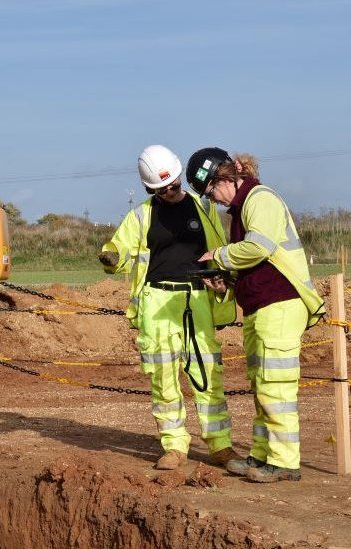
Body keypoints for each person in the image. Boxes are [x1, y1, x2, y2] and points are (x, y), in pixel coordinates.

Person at [99, 144, 241, 473]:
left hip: (196, 300)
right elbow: (118, 248)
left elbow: (220, 252)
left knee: (207, 374)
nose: (169, 193)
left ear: (180, 178)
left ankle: (220, 444)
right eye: (160, 190)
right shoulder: (141, 216)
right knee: (163, 377)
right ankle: (174, 445)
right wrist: (110, 256)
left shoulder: (204, 211)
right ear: (151, 189)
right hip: (157, 302)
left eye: (174, 186)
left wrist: (223, 286)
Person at [188, 147, 325, 483]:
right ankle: (263, 456)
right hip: (262, 306)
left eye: (213, 189)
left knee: (275, 386)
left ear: (229, 173)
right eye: (208, 194)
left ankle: (283, 462)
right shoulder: (240, 210)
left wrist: (218, 255)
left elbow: (259, 248)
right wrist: (228, 284)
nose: (215, 198)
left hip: (279, 304)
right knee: (263, 385)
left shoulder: (259, 199)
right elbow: (257, 263)